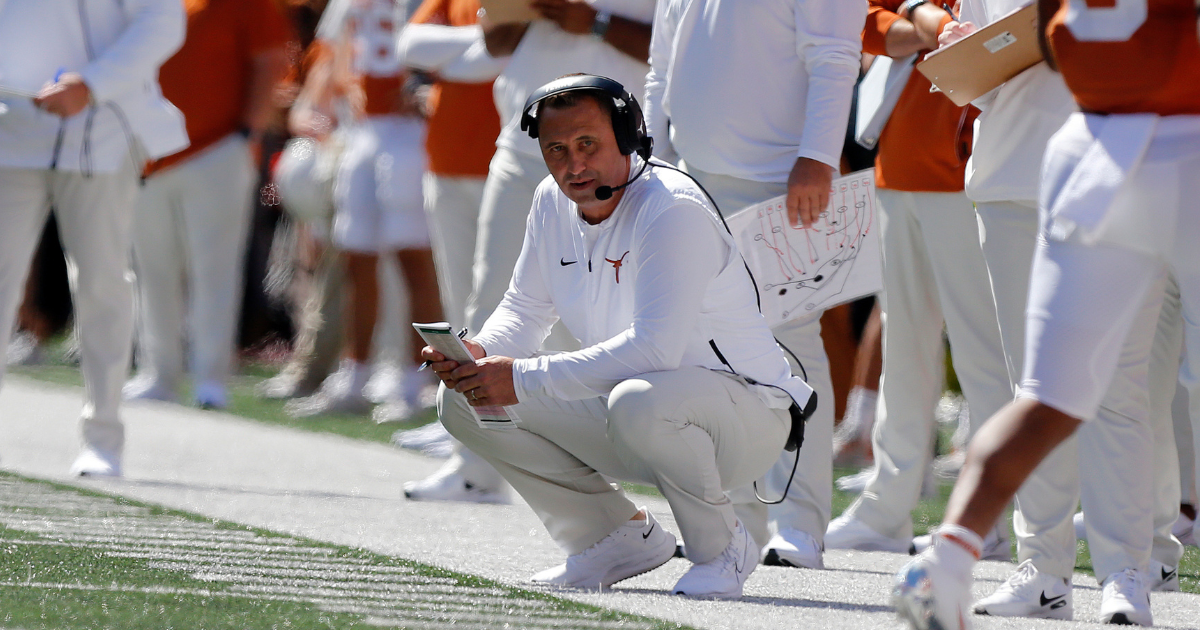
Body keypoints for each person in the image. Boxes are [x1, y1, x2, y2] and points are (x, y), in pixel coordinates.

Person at [423, 75, 815, 599]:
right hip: (638, 409)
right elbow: (524, 309)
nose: (572, 165)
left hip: (750, 419)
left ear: (629, 138)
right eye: (555, 149)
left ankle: (723, 548)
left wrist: (519, 376)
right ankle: (614, 538)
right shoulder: (549, 199)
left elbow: (655, 350)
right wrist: (481, 354)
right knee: (464, 401)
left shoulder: (671, 208)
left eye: (588, 144)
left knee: (638, 399)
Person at [893, 1, 1200, 628]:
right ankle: (1040, 567)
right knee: (1036, 389)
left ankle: (1123, 572)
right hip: (1065, 159)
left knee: (1101, 391)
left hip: (1116, 150)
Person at [402, 0, 654, 503]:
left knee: (590, 324)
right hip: (524, 145)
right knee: (488, 305)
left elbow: (674, 50)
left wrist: (594, 21)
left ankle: (594, 491)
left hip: (616, 154)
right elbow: (495, 44)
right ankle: (477, 468)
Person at [643, 0, 865, 569]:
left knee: (792, 350)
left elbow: (835, 59)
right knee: (712, 355)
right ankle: (737, 522)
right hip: (690, 178)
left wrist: (816, 157)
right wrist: (655, 163)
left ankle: (802, 525)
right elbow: (662, 66)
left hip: (779, 181)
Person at [824, 0, 1013, 558]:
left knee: (983, 357)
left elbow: (1001, 42)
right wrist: (923, 27)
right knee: (904, 351)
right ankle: (887, 509)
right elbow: (867, 19)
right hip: (896, 167)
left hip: (967, 175)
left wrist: (920, 31)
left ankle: (992, 518)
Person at [0, 0, 188, 476]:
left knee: (101, 280)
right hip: (9, 126)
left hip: (100, 129)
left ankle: (103, 437)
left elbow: (164, 20)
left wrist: (94, 83)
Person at [123, 0, 292, 410]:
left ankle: (210, 378)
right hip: (148, 151)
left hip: (216, 148)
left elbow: (271, 60)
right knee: (153, 267)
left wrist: (247, 133)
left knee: (214, 268)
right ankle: (158, 373)